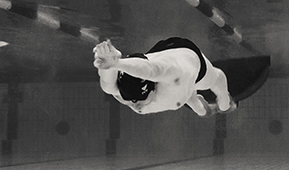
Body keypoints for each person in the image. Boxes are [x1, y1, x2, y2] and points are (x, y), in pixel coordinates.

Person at [93, 37, 234, 117]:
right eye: (127, 99)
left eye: (136, 100)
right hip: (159, 57)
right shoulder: (125, 91)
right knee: (201, 111)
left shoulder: (171, 72)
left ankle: (226, 104)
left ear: (153, 89)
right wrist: (109, 65)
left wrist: (118, 62)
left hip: (187, 60)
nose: (135, 105)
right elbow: (108, 85)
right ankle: (201, 106)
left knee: (215, 80)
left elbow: (150, 71)